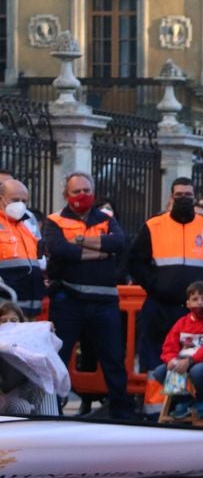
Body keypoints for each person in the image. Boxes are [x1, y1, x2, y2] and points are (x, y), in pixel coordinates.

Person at [42, 171, 134, 420]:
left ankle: (121, 413)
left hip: (104, 302)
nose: (82, 195)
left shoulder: (105, 218)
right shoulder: (54, 220)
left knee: (113, 359)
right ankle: (52, 410)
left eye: (86, 190)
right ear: (66, 195)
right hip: (67, 301)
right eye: (76, 191)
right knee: (59, 359)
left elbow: (118, 243)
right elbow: (59, 250)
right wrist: (98, 250)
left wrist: (81, 241)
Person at [127, 178, 203, 375]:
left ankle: (183, 404)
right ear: (171, 197)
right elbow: (135, 260)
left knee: (190, 360)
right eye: (179, 196)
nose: (184, 199)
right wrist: (154, 284)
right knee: (154, 357)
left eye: (188, 195)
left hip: (195, 309)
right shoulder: (154, 225)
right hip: (160, 305)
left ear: (195, 197)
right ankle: (153, 404)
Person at [152, 281, 203, 420]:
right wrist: (171, 360)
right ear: (188, 303)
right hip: (184, 359)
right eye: (195, 299)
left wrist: (190, 361)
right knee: (160, 372)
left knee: (196, 371)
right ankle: (186, 400)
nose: (199, 303)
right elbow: (169, 346)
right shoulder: (182, 322)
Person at [0, 178, 45, 319]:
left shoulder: (28, 223)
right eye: (15, 199)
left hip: (30, 306)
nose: (20, 204)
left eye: (24, 201)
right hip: (6, 308)